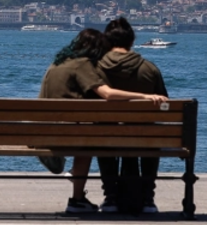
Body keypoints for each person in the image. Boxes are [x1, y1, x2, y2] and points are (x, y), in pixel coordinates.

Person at [38, 28, 168, 214]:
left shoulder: (57, 63)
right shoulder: (81, 64)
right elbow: (107, 93)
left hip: (44, 130)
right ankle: (76, 199)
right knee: (97, 139)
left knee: (97, 131)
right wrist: (145, 96)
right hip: (67, 133)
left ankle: (101, 197)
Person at [97, 17, 169, 214]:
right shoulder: (149, 69)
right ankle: (148, 199)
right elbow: (164, 104)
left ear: (107, 41)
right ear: (131, 41)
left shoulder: (96, 68)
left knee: (102, 132)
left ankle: (110, 197)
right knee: (150, 135)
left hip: (106, 136)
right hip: (143, 136)